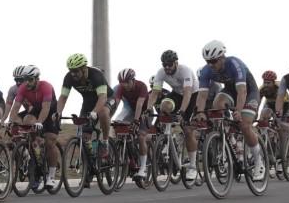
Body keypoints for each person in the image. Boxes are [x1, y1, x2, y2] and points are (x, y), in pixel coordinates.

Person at [195, 40, 264, 177]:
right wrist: (200, 112)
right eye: (207, 61)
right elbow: (202, 95)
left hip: (248, 91)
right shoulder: (206, 70)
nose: (210, 65)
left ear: (222, 57)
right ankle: (226, 136)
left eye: (213, 61)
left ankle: (259, 162)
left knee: (244, 125)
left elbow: (242, 91)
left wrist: (238, 111)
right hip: (230, 91)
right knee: (217, 104)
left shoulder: (234, 64)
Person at [149, 50, 200, 180]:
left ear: (176, 63)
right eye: (164, 64)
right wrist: (148, 109)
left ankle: (193, 166)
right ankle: (167, 135)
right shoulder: (161, 72)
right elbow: (155, 93)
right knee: (164, 106)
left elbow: (187, 92)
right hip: (177, 93)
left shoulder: (185, 71)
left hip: (192, 94)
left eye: (169, 64)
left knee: (188, 130)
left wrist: (182, 111)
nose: (167, 67)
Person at [8, 65, 61, 189]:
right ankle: (36, 156)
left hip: (51, 111)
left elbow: (46, 108)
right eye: (25, 79)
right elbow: (16, 106)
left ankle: (51, 177)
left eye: (30, 79)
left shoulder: (46, 86)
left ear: (37, 79)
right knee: (26, 120)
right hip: (37, 109)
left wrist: (40, 122)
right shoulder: (23, 88)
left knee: (49, 142)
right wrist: (10, 121)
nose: (27, 82)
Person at [56, 53, 111, 160]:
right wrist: (58, 112)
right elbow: (63, 97)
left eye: (76, 71)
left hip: (107, 99)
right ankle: (90, 162)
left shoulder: (96, 75)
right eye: (71, 70)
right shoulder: (69, 77)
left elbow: (102, 97)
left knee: (103, 112)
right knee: (85, 135)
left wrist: (95, 112)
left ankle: (105, 142)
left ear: (84, 68)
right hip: (88, 102)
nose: (73, 74)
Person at [113, 68, 151, 182]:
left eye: (127, 82)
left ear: (133, 80)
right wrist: (109, 118)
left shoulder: (141, 86)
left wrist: (136, 121)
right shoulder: (120, 88)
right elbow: (116, 103)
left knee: (140, 136)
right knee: (118, 126)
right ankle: (129, 157)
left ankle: (143, 168)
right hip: (132, 111)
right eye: (122, 83)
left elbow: (140, 104)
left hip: (145, 112)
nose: (125, 85)